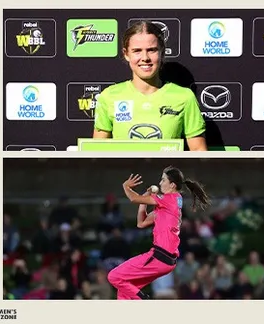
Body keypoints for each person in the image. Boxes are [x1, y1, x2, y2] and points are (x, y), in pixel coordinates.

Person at [93, 21, 208, 151]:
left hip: (166, 171)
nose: (145, 58)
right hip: (125, 172)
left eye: (151, 50)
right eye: (137, 51)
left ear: (162, 53)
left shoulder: (184, 97)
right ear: (126, 54)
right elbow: (97, 154)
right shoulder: (109, 96)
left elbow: (199, 153)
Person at [107, 166, 210, 299]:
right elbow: (141, 223)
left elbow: (133, 199)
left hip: (158, 257)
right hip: (165, 260)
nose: (160, 183)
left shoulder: (169, 198)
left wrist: (126, 187)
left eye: (163, 180)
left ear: (172, 185)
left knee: (114, 276)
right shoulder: (169, 204)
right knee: (124, 290)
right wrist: (146, 195)